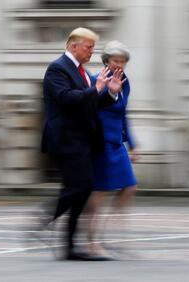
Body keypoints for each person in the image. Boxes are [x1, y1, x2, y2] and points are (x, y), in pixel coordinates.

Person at [40, 28, 126, 261]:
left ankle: (68, 247)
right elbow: (67, 99)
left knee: (82, 187)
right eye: (88, 47)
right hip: (65, 139)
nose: (92, 52)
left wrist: (110, 93)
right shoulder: (57, 68)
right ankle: (46, 217)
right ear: (73, 46)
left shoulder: (84, 73)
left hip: (82, 139)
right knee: (81, 186)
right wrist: (96, 88)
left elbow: (92, 102)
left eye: (92, 48)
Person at [85, 41, 138, 258]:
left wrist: (133, 145)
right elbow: (90, 106)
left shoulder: (125, 83)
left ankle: (108, 233)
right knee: (100, 192)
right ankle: (91, 241)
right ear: (106, 61)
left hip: (116, 143)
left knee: (130, 187)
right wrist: (108, 92)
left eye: (123, 61)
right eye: (116, 61)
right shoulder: (98, 79)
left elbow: (123, 114)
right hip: (100, 143)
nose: (120, 65)